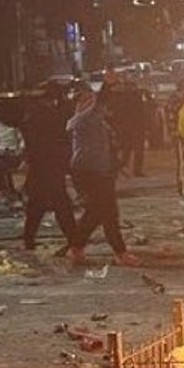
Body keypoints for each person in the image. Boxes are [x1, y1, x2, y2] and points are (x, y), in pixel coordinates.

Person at [65, 85, 135, 265]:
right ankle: (120, 253)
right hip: (89, 172)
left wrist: (116, 165)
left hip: (100, 172)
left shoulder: (98, 123)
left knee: (96, 212)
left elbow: (106, 148)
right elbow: (98, 104)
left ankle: (76, 247)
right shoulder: (83, 119)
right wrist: (107, 86)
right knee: (107, 212)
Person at [17, 88, 78, 251]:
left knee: (37, 205)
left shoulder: (32, 116)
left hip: (40, 166)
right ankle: (73, 239)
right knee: (60, 204)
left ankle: (29, 239)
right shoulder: (51, 116)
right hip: (51, 165)